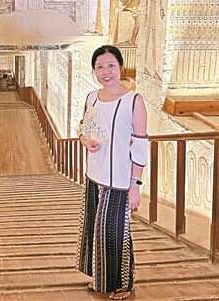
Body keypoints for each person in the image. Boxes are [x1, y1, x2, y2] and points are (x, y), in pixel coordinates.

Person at [76, 45, 148, 300]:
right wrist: (85, 141)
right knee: (95, 229)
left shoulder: (134, 101)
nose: (105, 72)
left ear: (120, 68)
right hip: (94, 174)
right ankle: (102, 278)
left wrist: (135, 184)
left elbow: (139, 145)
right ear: (94, 70)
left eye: (111, 66)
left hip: (119, 180)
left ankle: (124, 284)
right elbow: (83, 129)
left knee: (114, 231)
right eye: (99, 67)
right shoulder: (91, 98)